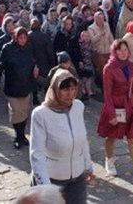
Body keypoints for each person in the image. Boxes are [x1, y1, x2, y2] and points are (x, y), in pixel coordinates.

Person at [30, 70, 93, 203]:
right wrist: (45, 188)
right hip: (53, 180)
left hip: (77, 180)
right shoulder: (41, 114)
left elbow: (83, 141)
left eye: (73, 89)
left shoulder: (78, 106)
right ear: (55, 89)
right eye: (65, 89)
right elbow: (37, 154)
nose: (70, 94)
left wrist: (88, 166)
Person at [97, 40, 133, 186]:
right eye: (120, 50)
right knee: (111, 136)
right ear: (114, 51)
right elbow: (107, 94)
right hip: (115, 105)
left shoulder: (131, 66)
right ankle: (109, 160)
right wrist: (111, 113)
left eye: (125, 50)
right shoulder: (109, 68)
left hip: (129, 105)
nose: (123, 53)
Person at [0, 27, 40, 149]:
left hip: (26, 85)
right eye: (20, 37)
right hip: (12, 85)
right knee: (16, 111)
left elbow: (33, 62)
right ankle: (17, 135)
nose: (23, 40)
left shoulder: (29, 48)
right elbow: (0, 66)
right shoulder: (7, 48)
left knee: (24, 111)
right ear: (16, 37)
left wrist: (35, 69)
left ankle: (22, 135)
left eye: (25, 37)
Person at [88, 11, 114, 92]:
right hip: (99, 53)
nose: (101, 20)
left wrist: (113, 46)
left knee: (110, 70)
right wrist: (99, 34)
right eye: (99, 18)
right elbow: (92, 41)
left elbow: (110, 36)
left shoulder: (106, 25)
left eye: (102, 18)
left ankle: (111, 87)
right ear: (95, 19)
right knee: (102, 72)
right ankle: (104, 89)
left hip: (108, 51)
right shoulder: (91, 28)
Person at [78, 30, 96, 100]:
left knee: (89, 77)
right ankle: (83, 89)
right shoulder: (81, 44)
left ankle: (89, 90)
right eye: (85, 36)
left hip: (90, 63)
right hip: (84, 63)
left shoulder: (90, 44)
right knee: (84, 77)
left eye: (88, 36)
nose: (87, 38)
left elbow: (93, 53)